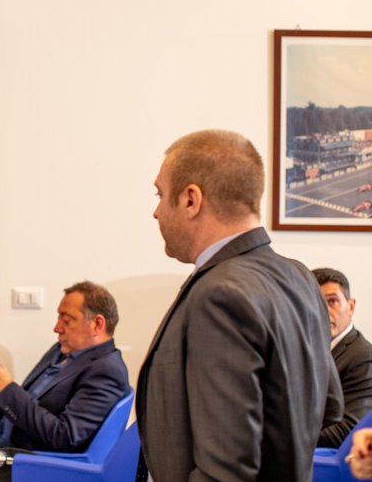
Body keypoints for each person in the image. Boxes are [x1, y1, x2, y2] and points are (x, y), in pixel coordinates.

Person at [136, 129, 343, 481]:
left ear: (191, 199)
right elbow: (329, 406)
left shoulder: (220, 295)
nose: (156, 211)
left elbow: (225, 472)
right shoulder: (300, 277)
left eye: (159, 194)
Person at [0, 281, 130, 482]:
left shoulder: (106, 371)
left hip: (20, 460)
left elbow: (63, 437)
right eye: (58, 317)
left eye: (67, 319)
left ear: (97, 324)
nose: (57, 328)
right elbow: (35, 403)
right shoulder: (60, 351)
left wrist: (7, 389)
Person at [313, 267, 372, 448]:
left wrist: (288, 442)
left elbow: (349, 430)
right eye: (316, 302)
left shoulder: (364, 357)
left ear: (351, 306)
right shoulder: (299, 347)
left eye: (332, 302)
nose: (324, 311)